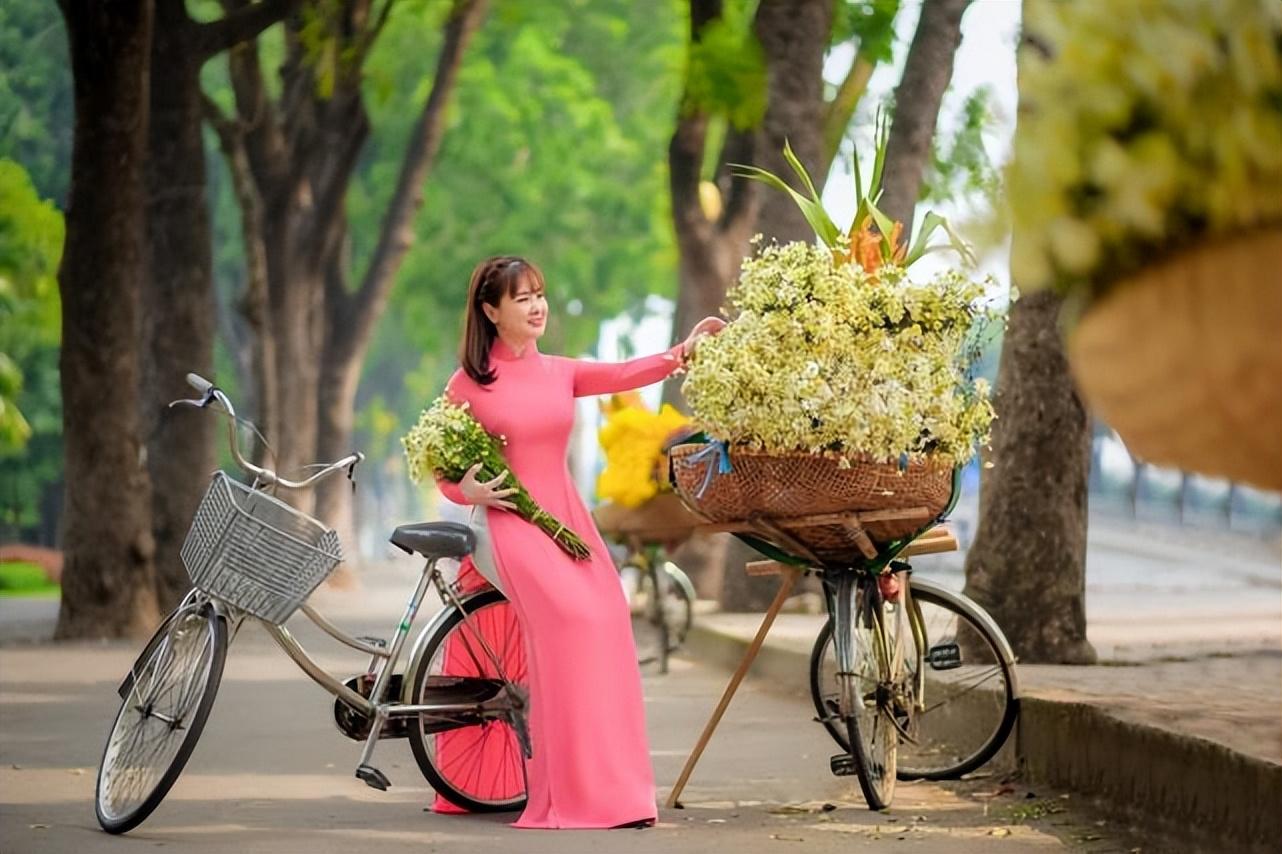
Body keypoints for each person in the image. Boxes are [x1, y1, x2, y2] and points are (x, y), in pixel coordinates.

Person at [433, 255, 724, 830]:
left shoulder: (559, 371)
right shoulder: (468, 384)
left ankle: (617, 794)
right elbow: (442, 465)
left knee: (609, 614)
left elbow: (625, 374)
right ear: (491, 311)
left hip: (566, 518)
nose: (537, 306)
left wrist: (683, 350)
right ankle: (569, 792)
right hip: (509, 523)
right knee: (571, 621)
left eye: (539, 294)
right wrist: (465, 489)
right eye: (522, 298)